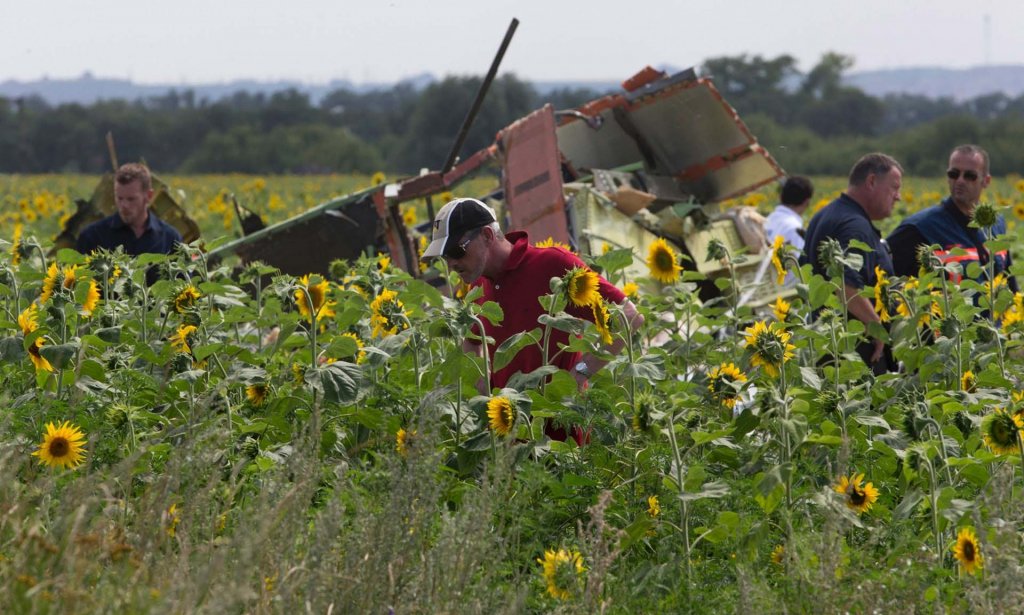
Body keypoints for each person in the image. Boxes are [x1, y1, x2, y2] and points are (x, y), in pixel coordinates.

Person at [421, 198, 644, 440]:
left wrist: (580, 372)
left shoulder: (552, 265)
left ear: (486, 235)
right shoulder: (477, 285)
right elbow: (472, 342)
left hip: (562, 434)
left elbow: (629, 316)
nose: (451, 263)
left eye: (457, 251)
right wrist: (483, 390)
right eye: (445, 256)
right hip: (509, 436)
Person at [801, 153, 903, 374]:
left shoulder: (826, 214)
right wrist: (875, 328)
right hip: (855, 352)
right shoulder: (854, 225)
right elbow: (845, 284)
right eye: (894, 188)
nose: (898, 197)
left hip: (830, 344)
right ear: (872, 181)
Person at [887, 144, 1016, 290]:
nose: (960, 180)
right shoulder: (921, 227)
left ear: (986, 181)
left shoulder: (996, 223)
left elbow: (1008, 282)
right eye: (953, 174)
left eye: (969, 175)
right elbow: (882, 272)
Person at [77, 163, 182, 259]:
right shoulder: (92, 237)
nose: (124, 205)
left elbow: (182, 279)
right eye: (119, 198)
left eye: (131, 199)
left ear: (149, 196)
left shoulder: (170, 238)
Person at [764, 176, 814, 251]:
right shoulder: (795, 230)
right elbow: (797, 260)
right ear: (807, 202)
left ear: (780, 197)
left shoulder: (767, 220)